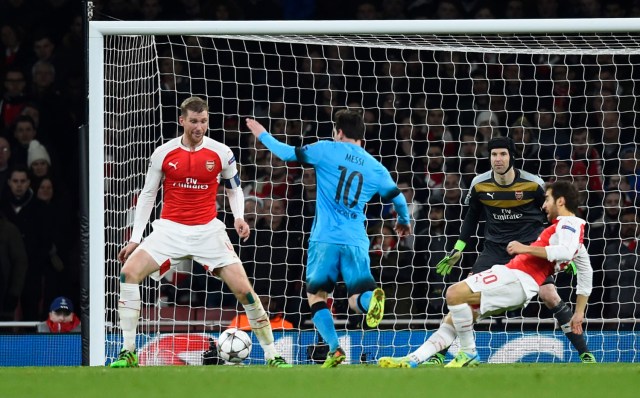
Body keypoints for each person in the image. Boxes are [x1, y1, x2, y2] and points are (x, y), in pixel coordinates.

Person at [379, 137, 596, 368]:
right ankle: (439, 355)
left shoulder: (534, 185)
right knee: (462, 299)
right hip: (494, 249)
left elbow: (551, 217)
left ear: (512, 156)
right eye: (494, 155)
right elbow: (471, 217)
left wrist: (560, 253)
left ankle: (584, 352)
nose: (498, 159)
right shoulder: (479, 184)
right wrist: (459, 248)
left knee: (550, 296)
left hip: (529, 250)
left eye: (502, 154)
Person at [110, 96, 291, 368]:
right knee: (129, 274)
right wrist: (136, 239)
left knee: (245, 292)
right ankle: (128, 351)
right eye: (194, 121)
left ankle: (272, 355)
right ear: (182, 121)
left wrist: (239, 217)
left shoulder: (221, 152)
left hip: (208, 231)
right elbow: (148, 195)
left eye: (203, 121)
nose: (199, 126)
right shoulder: (163, 153)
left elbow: (233, 188)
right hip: (169, 229)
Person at [246, 109, 412, 368]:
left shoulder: (326, 148)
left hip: (325, 239)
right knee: (356, 298)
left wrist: (262, 134)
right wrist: (403, 221)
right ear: (361, 136)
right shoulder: (375, 165)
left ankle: (335, 348)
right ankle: (371, 301)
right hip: (356, 239)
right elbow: (399, 198)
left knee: (316, 295)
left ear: (339, 132)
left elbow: (288, 153)